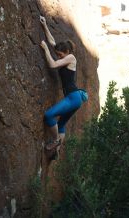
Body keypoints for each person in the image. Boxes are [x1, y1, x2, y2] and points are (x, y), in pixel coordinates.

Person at [40, 16, 88, 151]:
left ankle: (56, 141)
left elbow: (53, 64)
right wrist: (44, 26)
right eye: (59, 54)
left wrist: (45, 49)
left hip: (73, 98)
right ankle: (56, 152)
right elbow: (52, 41)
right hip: (73, 98)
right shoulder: (65, 55)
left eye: (60, 55)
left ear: (67, 52)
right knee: (60, 125)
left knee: (49, 116)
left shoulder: (71, 57)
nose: (59, 56)